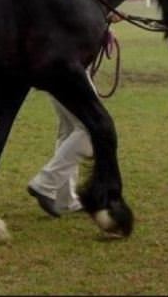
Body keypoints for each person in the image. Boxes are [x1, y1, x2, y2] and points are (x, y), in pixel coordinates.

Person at [27, 16, 121, 217]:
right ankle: (45, 183)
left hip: (54, 65)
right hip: (68, 67)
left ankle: (65, 199)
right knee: (91, 130)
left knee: (69, 130)